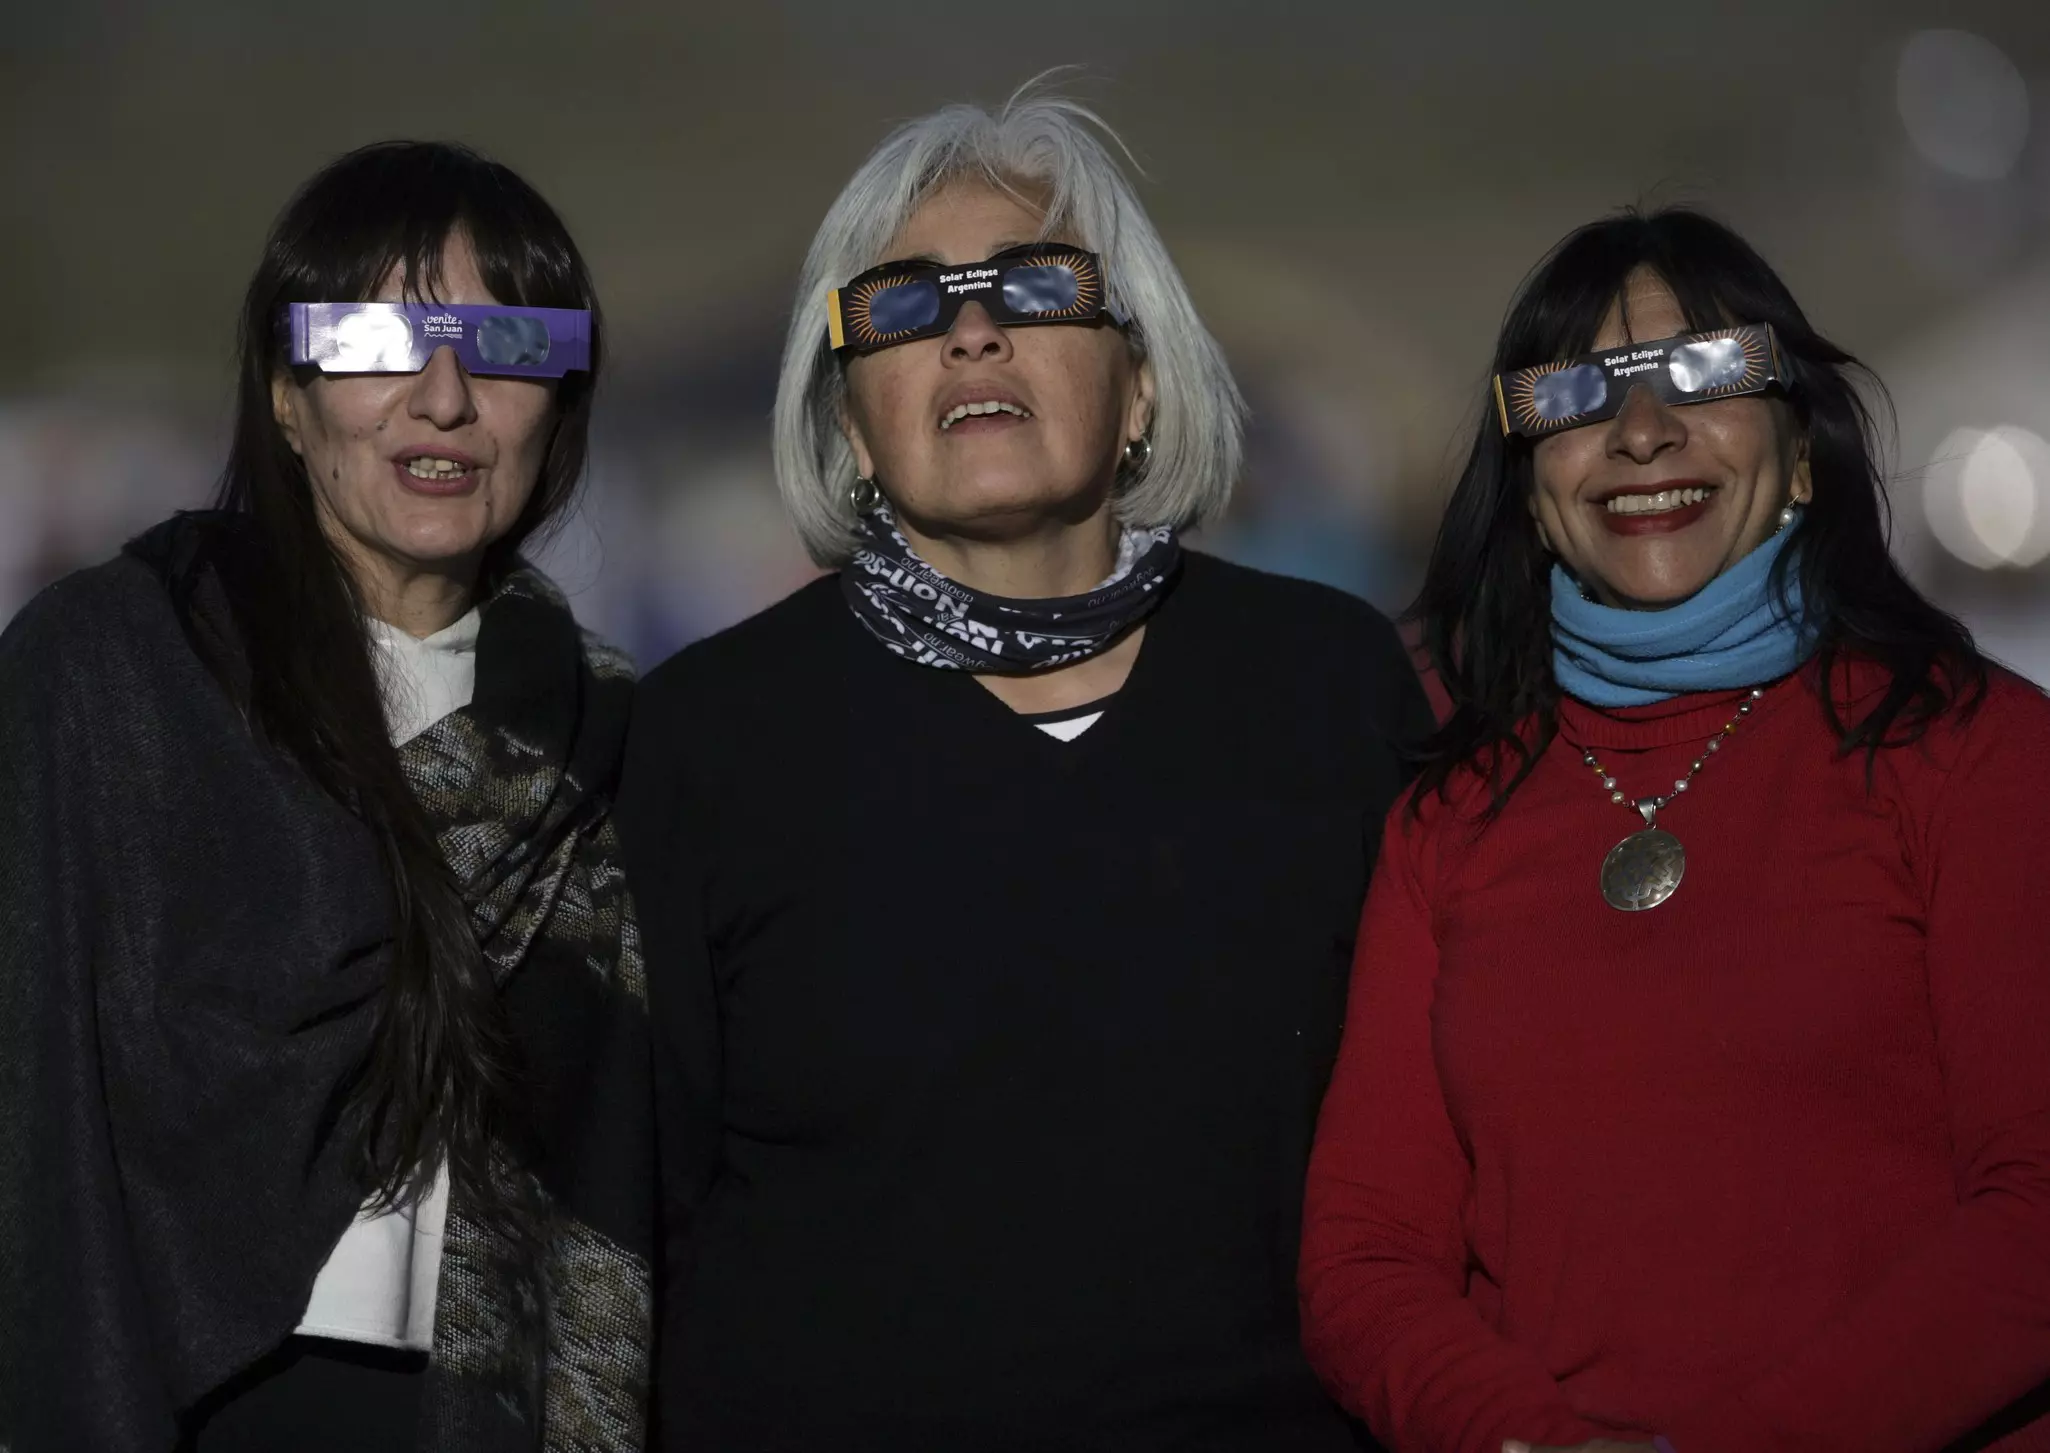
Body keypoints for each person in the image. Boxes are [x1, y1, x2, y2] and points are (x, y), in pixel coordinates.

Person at [618, 85, 1429, 1451]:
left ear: (1140, 384)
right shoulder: (705, 736)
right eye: (902, 306)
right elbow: (639, 1216)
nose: (971, 328)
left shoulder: (1329, 685)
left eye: (1034, 286)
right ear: (853, 422)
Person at [1298, 207, 2050, 1452]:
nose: (1641, 432)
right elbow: (1365, 1256)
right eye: (1578, 395)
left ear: (1801, 450)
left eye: (1704, 372)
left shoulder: (1974, 754)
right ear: (1532, 488)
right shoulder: (1452, 815)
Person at [0, 142, 652, 1452]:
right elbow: (31, 1100)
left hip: (497, 1412)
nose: (446, 397)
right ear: (287, 395)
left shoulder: (608, 729)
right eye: (374, 340)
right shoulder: (117, 670)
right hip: (184, 1401)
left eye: (508, 342)